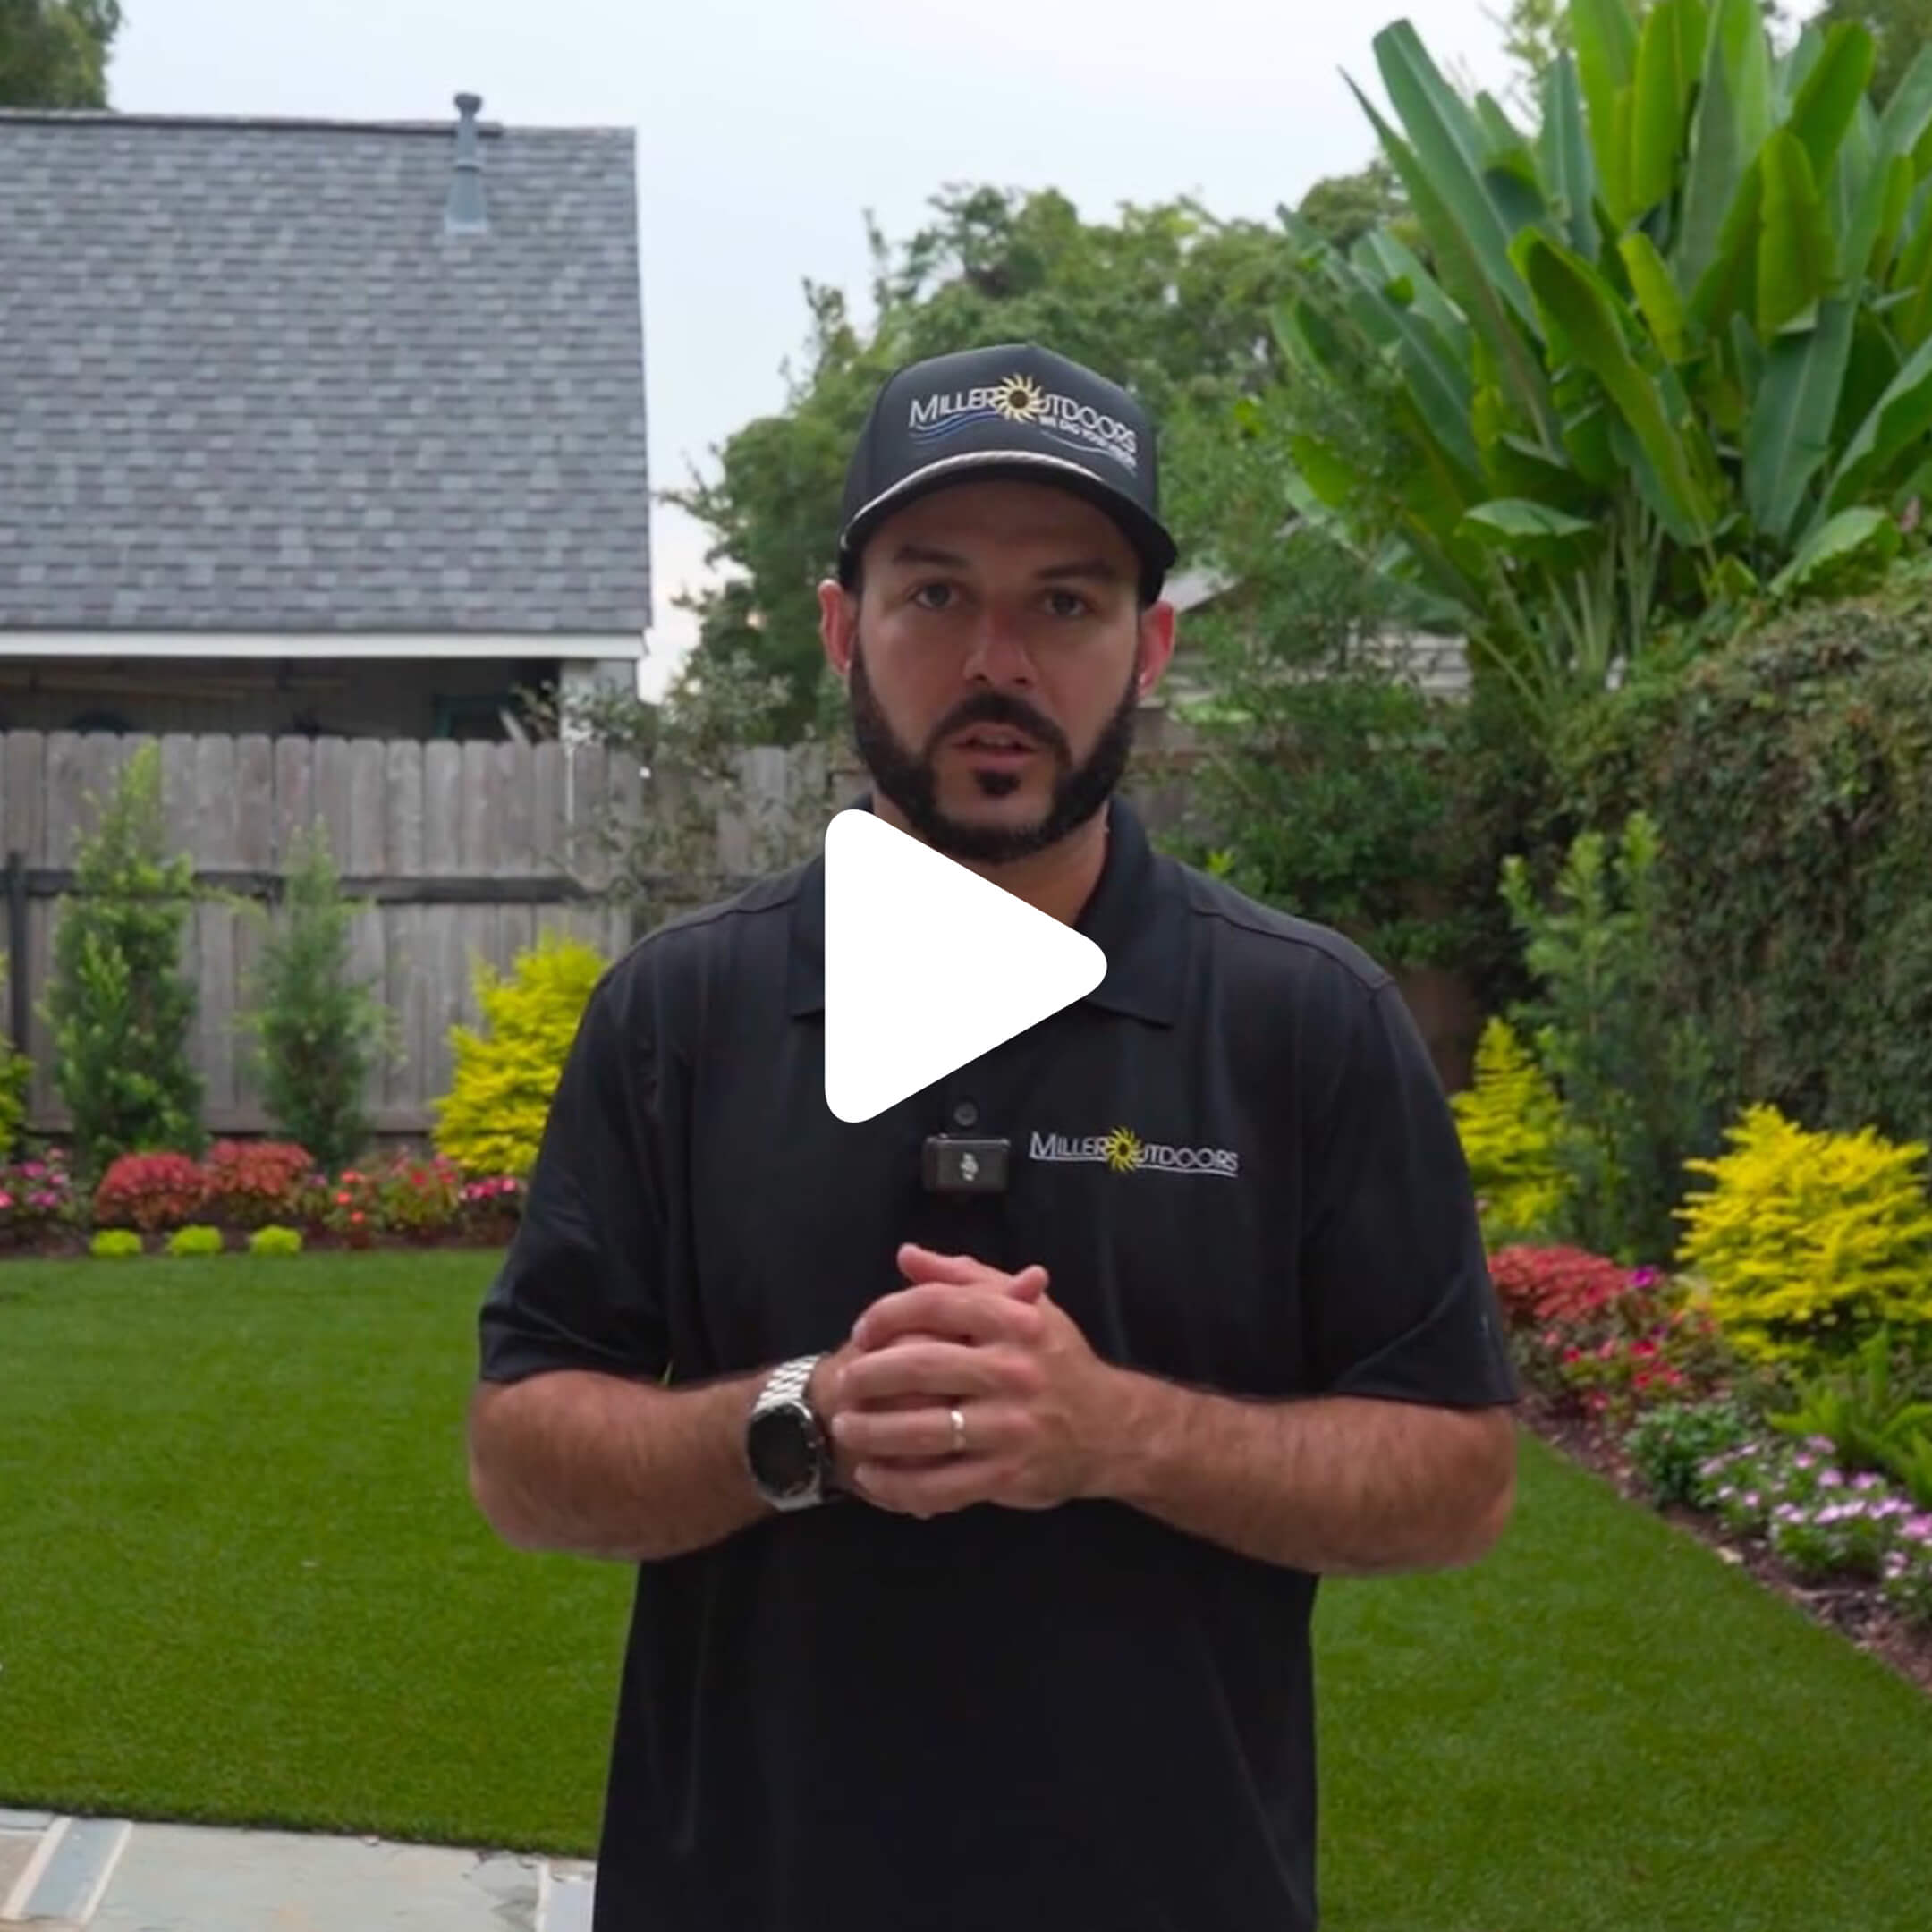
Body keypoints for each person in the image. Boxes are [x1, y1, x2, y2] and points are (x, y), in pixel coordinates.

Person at [467, 341, 1521, 1932]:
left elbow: (1458, 1476)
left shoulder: (1304, 1024)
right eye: (937, 594)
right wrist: (793, 1421)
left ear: (1153, 644)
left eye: (1068, 603)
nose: (999, 660)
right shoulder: (685, 1014)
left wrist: (1121, 1436)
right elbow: (521, 1452)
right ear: (843, 628)